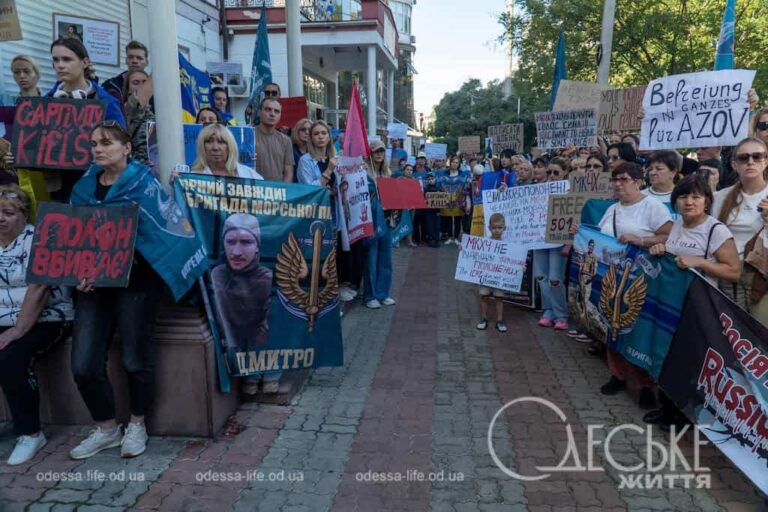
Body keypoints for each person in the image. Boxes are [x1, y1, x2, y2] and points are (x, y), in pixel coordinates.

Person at [68, 122, 207, 460]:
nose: (98, 149)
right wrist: (77, 272)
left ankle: (136, 425)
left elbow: (165, 230)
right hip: (92, 287)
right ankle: (105, 429)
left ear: (127, 148)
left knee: (134, 358)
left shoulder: (145, 185)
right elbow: (70, 238)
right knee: (84, 363)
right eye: (93, 144)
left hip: (137, 285)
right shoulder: (82, 189)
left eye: (106, 143)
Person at [646, 174, 739, 429]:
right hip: (672, 303)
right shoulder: (676, 225)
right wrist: (659, 248)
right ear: (675, 202)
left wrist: (700, 262)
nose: (689, 202)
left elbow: (733, 271)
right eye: (684, 196)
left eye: (696, 196)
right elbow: (671, 253)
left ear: (707, 201)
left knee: (687, 359)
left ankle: (682, 415)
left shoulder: (716, 230)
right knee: (668, 354)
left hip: (699, 306)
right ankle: (665, 408)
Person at [0, 185, 73, 465]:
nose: (2, 218)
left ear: (24, 214)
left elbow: (39, 288)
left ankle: (30, 433)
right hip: (4, 317)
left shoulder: (40, 240)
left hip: (46, 316)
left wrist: (17, 330)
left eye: (9, 212)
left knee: (10, 357)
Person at [594, 162, 672, 408]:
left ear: (638, 181)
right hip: (612, 277)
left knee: (637, 331)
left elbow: (669, 236)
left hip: (640, 279)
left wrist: (640, 240)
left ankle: (645, 385)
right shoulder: (613, 209)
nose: (618, 184)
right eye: (615, 180)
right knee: (612, 325)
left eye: (624, 179)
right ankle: (617, 374)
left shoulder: (653, 207)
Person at [211, 214, 274, 392]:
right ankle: (250, 374)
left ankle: (267, 374)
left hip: (260, 346)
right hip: (234, 348)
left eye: (246, 242)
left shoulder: (267, 279)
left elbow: (267, 328)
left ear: (257, 247)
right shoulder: (218, 275)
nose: (236, 252)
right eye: (231, 242)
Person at [712, 137, 768, 312]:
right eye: (743, 158)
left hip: (761, 278)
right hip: (727, 275)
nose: (750, 162)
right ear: (734, 164)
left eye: (757, 156)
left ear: (765, 161)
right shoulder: (720, 197)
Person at [48, 38, 125, 126]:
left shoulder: (108, 103)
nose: (60, 65)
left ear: (85, 63)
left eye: (67, 59)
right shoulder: (44, 102)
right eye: (56, 60)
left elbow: (119, 137)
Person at [534, 157, 572, 332]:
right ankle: (548, 311)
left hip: (558, 242)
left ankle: (561, 314)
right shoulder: (537, 190)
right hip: (539, 240)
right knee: (542, 277)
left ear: (564, 173)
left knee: (555, 278)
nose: (551, 176)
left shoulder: (570, 192)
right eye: (549, 172)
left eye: (556, 172)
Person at [364, 140, 395, 308]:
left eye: (382, 151)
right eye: (376, 151)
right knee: (372, 258)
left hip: (386, 218)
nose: (379, 154)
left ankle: (383, 293)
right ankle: (370, 296)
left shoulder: (387, 173)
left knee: (386, 258)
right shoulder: (364, 172)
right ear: (370, 153)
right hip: (371, 220)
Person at [191, 124, 263, 179]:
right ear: (202, 146)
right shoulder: (191, 178)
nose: (215, 147)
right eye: (209, 141)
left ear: (230, 146)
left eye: (221, 142)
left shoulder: (250, 175)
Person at [477, 213, 509, 332]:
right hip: (486, 274)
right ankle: (484, 318)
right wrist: (463, 249)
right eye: (494, 228)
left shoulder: (508, 244)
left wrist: (520, 267)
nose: (497, 231)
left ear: (504, 228)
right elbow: (474, 252)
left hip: (500, 276)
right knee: (484, 295)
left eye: (499, 228)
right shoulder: (485, 242)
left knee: (499, 297)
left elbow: (514, 260)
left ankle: (499, 320)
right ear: (489, 228)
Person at [254, 98, 294, 182]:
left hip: (278, 191)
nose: (272, 114)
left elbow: (288, 171)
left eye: (276, 111)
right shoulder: (248, 136)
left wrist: (284, 190)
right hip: (253, 189)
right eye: (268, 110)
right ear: (259, 112)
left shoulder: (286, 140)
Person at [103, 41, 149, 108]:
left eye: (139, 58)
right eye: (130, 57)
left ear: (146, 62)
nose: (134, 61)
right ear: (126, 60)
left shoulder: (156, 88)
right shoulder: (110, 86)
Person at [122, 70, 154, 165]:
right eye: (136, 82)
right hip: (133, 169)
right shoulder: (127, 109)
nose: (141, 86)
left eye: (144, 82)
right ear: (127, 90)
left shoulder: (156, 115)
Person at [439, 156, 468, 245]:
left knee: (457, 219)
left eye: (456, 162)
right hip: (446, 198)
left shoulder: (463, 174)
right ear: (450, 163)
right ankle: (449, 237)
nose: (454, 164)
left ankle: (456, 237)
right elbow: (440, 185)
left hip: (458, 198)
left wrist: (457, 198)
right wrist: (446, 197)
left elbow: (464, 186)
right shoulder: (444, 173)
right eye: (453, 162)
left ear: (459, 164)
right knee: (447, 219)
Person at [297, 120, 336, 186]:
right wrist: (328, 170)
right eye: (316, 134)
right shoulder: (305, 160)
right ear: (311, 138)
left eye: (324, 133)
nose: (320, 137)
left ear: (329, 137)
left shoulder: (335, 157)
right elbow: (309, 188)